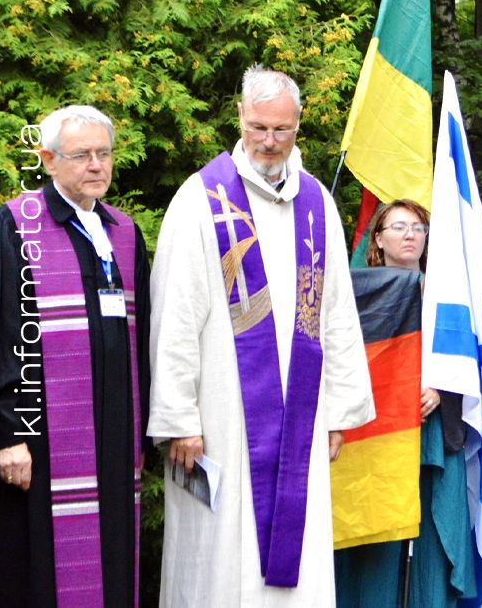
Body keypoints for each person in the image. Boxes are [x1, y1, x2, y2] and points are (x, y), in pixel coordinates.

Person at [148, 65, 375, 606]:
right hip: (219, 417)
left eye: (281, 130)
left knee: (302, 549)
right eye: (258, 129)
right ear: (241, 121)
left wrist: (340, 412)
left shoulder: (317, 205)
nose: (269, 142)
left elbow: (338, 315)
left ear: (299, 126)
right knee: (221, 555)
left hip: (302, 411)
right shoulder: (201, 199)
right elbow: (174, 316)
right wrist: (178, 417)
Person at [0, 105, 150, 607]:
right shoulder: (13, 227)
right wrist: (7, 437)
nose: (96, 166)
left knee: (109, 564)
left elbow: (143, 339)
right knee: (32, 576)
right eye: (82, 155)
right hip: (37, 446)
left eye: (104, 154)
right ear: (48, 159)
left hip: (111, 440)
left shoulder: (123, 234)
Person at [335, 200, 474, 607]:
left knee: (429, 533)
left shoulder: (448, 295)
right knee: (377, 536)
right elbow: (345, 361)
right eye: (398, 226)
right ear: (378, 238)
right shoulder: (357, 292)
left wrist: (441, 387)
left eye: (418, 227)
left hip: (433, 429)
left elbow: (469, 360)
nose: (410, 234)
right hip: (377, 432)